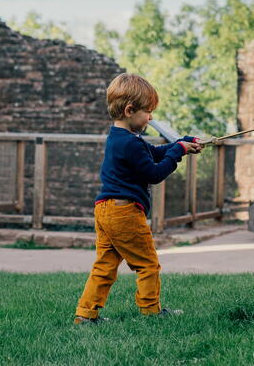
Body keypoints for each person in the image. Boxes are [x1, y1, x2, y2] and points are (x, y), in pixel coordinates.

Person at [74, 73, 202, 324]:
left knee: (105, 266)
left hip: (105, 210)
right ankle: (151, 311)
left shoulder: (122, 138)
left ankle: (86, 315)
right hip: (124, 212)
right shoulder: (130, 143)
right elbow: (154, 173)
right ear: (130, 110)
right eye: (148, 111)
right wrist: (177, 153)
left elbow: (153, 152)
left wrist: (181, 144)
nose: (151, 117)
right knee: (147, 264)